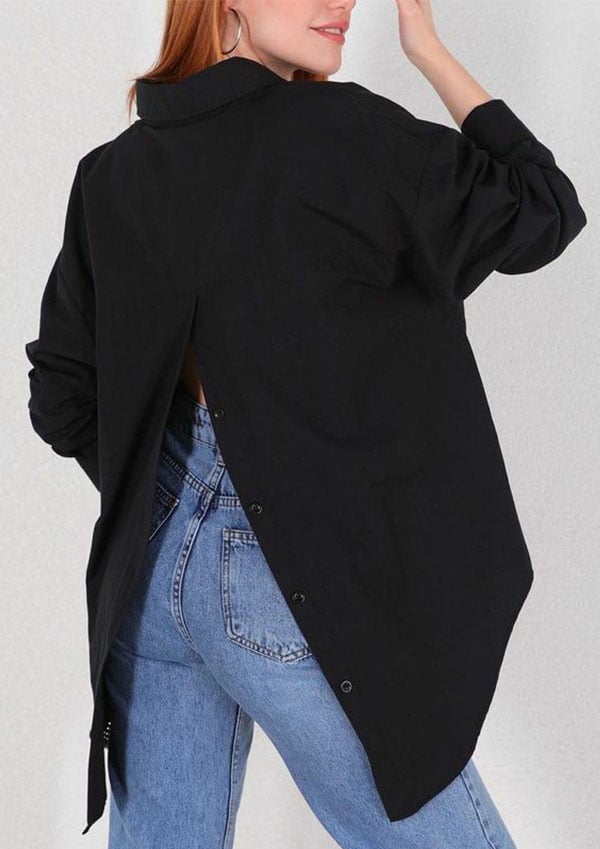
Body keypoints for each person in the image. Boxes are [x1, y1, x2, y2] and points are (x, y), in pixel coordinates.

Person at [24, 0, 587, 846]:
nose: (340, 2)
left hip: (147, 582)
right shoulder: (345, 135)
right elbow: (543, 206)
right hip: (284, 584)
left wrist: (169, 490)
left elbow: (62, 394)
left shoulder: (114, 173)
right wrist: (429, 51)